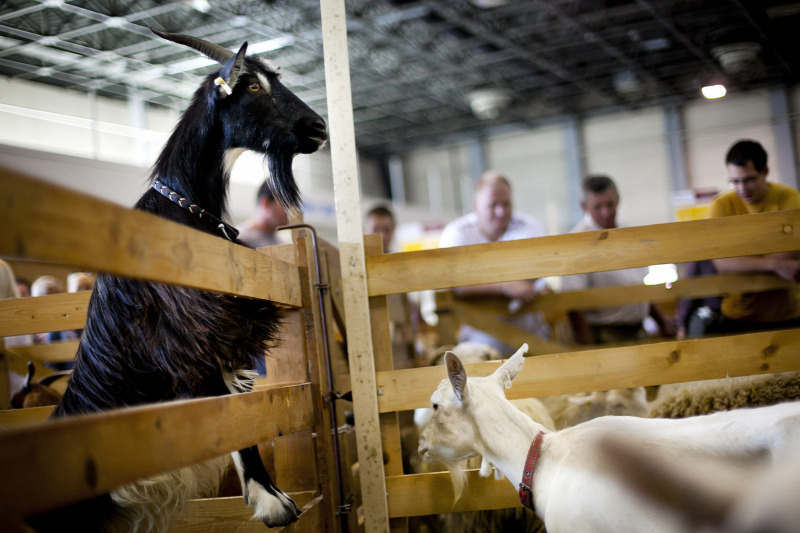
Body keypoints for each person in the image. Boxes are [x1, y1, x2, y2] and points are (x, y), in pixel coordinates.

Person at [438, 171, 550, 354]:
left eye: (506, 204)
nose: (501, 212)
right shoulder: (457, 232)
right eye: (493, 205)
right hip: (479, 343)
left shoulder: (529, 226)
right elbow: (453, 284)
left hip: (532, 338)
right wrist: (507, 287)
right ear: (476, 205)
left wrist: (478, 281)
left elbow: (541, 266)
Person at [561, 175, 676, 345]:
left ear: (618, 201)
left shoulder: (629, 233)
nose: (605, 212)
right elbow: (573, 303)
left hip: (639, 331)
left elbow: (640, 284)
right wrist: (588, 350)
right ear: (584, 207)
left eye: (610, 204)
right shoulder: (576, 242)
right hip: (604, 336)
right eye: (598, 206)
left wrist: (661, 322)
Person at [707, 139, 800, 332]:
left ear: (764, 172)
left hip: (789, 313)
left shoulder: (789, 197)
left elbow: (789, 255)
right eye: (735, 181)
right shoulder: (721, 205)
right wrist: (774, 265)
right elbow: (721, 263)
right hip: (738, 315)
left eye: (749, 179)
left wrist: (742, 261)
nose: (742, 189)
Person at [674, 260, 722, 340]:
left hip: (706, 316)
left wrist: (682, 324)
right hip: (721, 314)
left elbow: (688, 294)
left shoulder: (697, 259)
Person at [236, 180, 289, 249]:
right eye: (285, 204)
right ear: (266, 203)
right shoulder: (239, 241)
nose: (291, 210)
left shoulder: (282, 244)